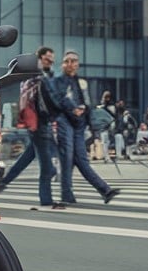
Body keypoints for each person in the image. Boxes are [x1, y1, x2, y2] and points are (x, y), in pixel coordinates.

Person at [0, 47, 60, 208]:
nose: (51, 62)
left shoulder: (34, 79)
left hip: (38, 125)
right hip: (39, 125)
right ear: (39, 59)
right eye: (48, 59)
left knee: (27, 158)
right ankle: (46, 199)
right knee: (47, 167)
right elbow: (45, 102)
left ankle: (4, 181)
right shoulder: (37, 79)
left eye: (52, 59)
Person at [49, 50, 120, 206]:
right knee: (67, 160)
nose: (70, 64)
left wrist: (89, 120)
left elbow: (87, 102)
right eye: (67, 61)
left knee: (81, 160)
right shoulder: (57, 81)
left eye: (73, 61)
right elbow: (59, 99)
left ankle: (105, 190)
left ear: (77, 64)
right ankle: (69, 194)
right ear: (62, 64)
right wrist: (73, 108)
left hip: (79, 125)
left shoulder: (81, 82)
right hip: (64, 122)